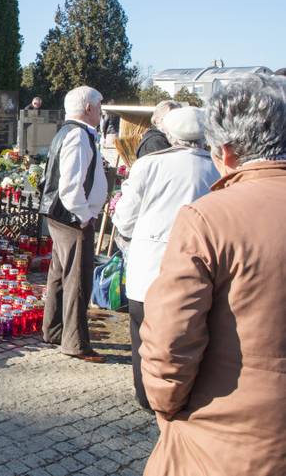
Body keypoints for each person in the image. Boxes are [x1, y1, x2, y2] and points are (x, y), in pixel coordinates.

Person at [139, 76, 286, 476]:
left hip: (226, 438)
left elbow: (171, 339)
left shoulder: (209, 217)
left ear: (227, 152)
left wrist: (166, 405)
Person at [111, 106, 218, 410]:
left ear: (169, 134)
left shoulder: (149, 165)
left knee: (142, 334)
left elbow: (125, 217)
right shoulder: (215, 167)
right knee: (190, 332)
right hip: (197, 265)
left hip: (151, 266)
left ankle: (146, 394)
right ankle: (185, 393)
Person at [38, 86, 107, 362]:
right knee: (77, 279)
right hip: (73, 218)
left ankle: (53, 329)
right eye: (99, 105)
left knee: (59, 274)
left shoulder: (69, 131)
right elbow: (70, 185)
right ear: (88, 108)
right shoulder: (78, 135)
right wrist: (84, 215)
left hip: (61, 216)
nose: (101, 111)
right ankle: (75, 343)